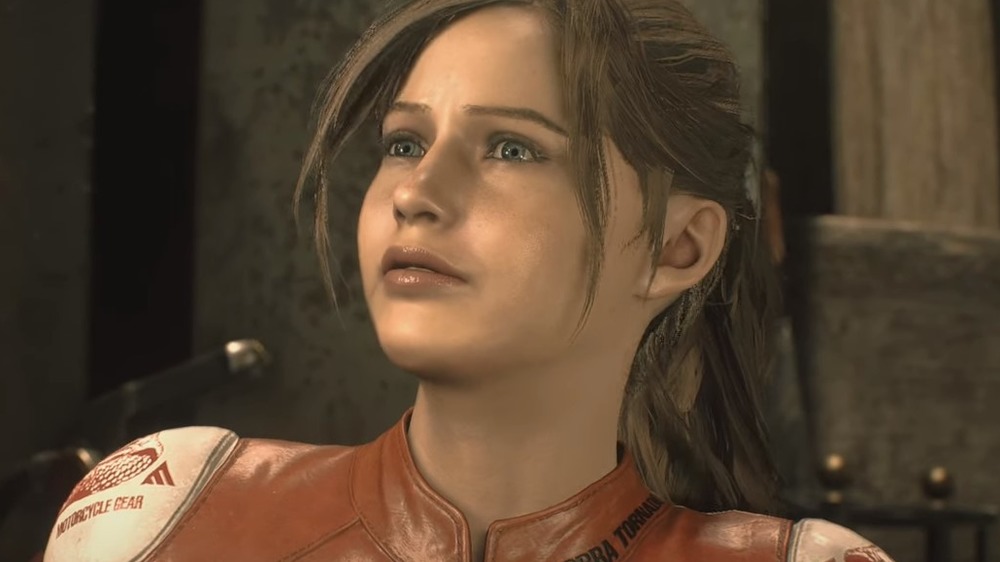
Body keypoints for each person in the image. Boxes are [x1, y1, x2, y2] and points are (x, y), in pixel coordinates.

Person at [42, 0, 895, 560]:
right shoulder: (167, 515)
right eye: (404, 143)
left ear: (676, 248)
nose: (415, 192)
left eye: (512, 148)